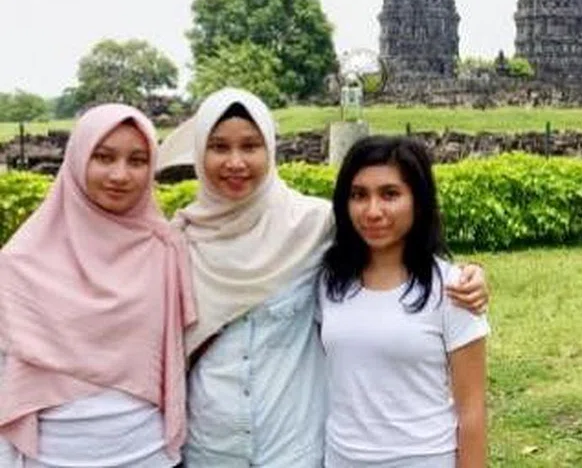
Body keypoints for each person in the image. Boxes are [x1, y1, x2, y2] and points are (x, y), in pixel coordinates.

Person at [158, 89, 488, 467]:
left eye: (250, 146)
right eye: (219, 147)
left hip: (293, 449)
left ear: (270, 150)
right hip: (210, 448)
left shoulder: (311, 227)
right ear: (200, 152)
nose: (236, 162)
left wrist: (472, 276)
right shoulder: (175, 243)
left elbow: (389, 247)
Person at [0, 105, 195, 468]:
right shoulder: (20, 261)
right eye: (103, 157)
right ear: (77, 159)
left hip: (147, 454)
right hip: (54, 457)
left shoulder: (165, 250)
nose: (120, 175)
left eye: (137, 161)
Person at [318, 136, 489, 468]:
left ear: (418, 201)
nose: (372, 211)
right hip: (341, 458)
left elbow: (472, 409)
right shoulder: (328, 281)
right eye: (358, 195)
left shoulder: (453, 288)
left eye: (390, 194)